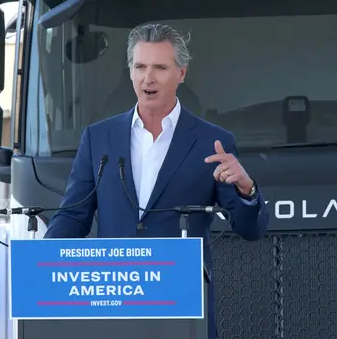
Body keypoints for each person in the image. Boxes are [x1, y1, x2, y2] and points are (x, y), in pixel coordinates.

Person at [44, 23, 269, 338]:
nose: (148, 78)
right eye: (140, 67)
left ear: (181, 73)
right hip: (113, 307)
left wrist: (247, 188)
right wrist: (42, 267)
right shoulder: (99, 138)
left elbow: (250, 229)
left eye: (160, 68)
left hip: (182, 310)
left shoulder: (212, 141)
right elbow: (72, 216)